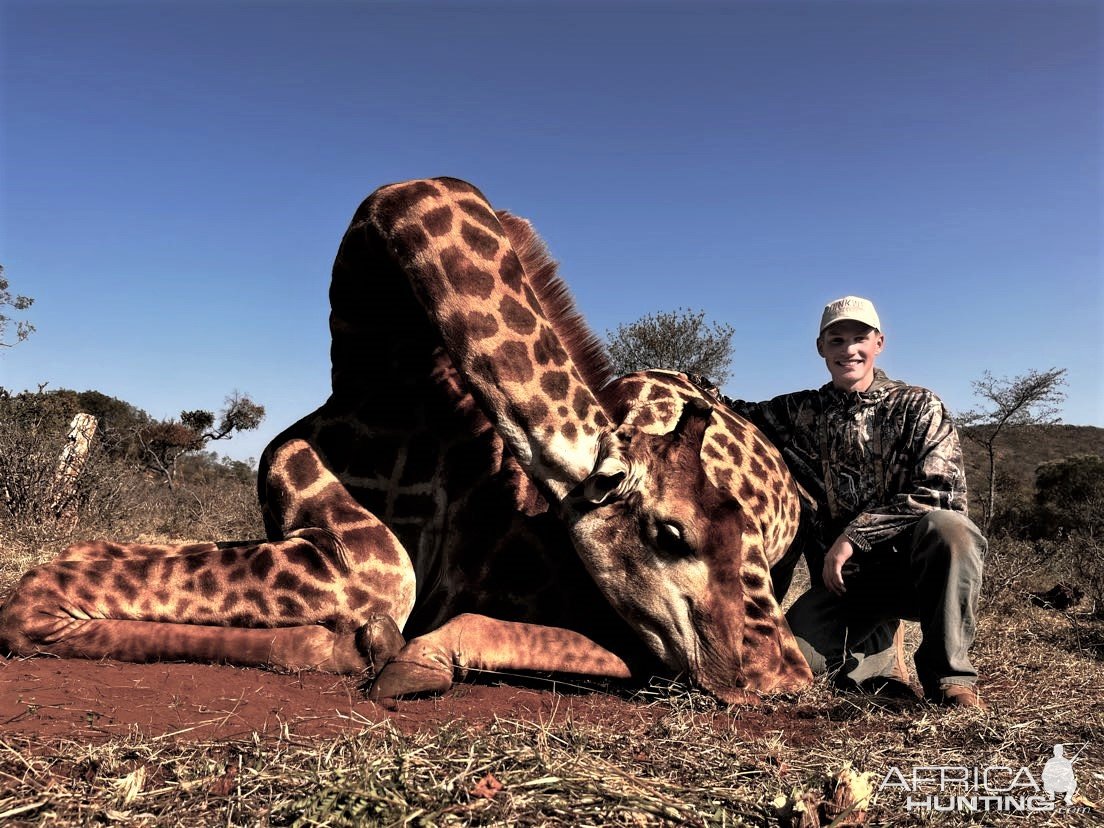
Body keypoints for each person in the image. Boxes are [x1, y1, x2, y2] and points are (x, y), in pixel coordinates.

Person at [701, 296, 987, 709]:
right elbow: (734, 411)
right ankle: (882, 655)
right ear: (822, 348)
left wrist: (854, 536)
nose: (848, 350)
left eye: (859, 339)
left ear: (879, 343)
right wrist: (682, 381)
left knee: (952, 531)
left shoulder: (919, 406)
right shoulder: (800, 411)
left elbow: (940, 492)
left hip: (913, 576)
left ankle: (951, 678)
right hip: (844, 586)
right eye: (837, 340)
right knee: (789, 660)